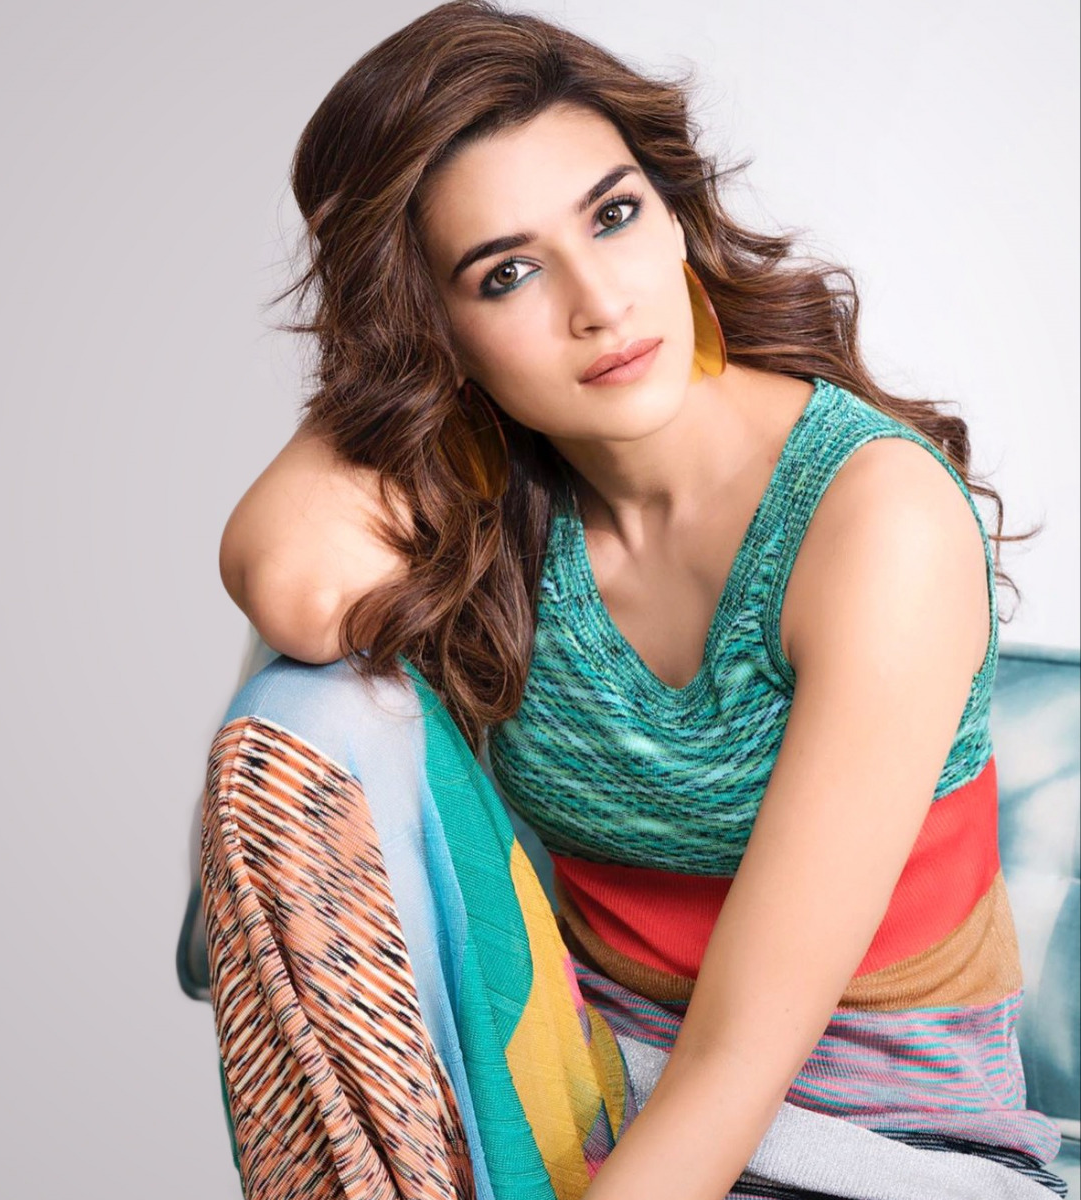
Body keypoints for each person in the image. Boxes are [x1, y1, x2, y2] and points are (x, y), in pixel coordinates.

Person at [196, 3, 1065, 1198]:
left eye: (612, 215)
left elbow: (737, 1058)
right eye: (506, 273)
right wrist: (383, 367)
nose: (599, 301)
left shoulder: (873, 520)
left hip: (875, 1145)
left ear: (674, 215)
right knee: (310, 716)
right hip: (587, 1088)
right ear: (433, 327)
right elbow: (297, 590)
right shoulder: (498, 504)